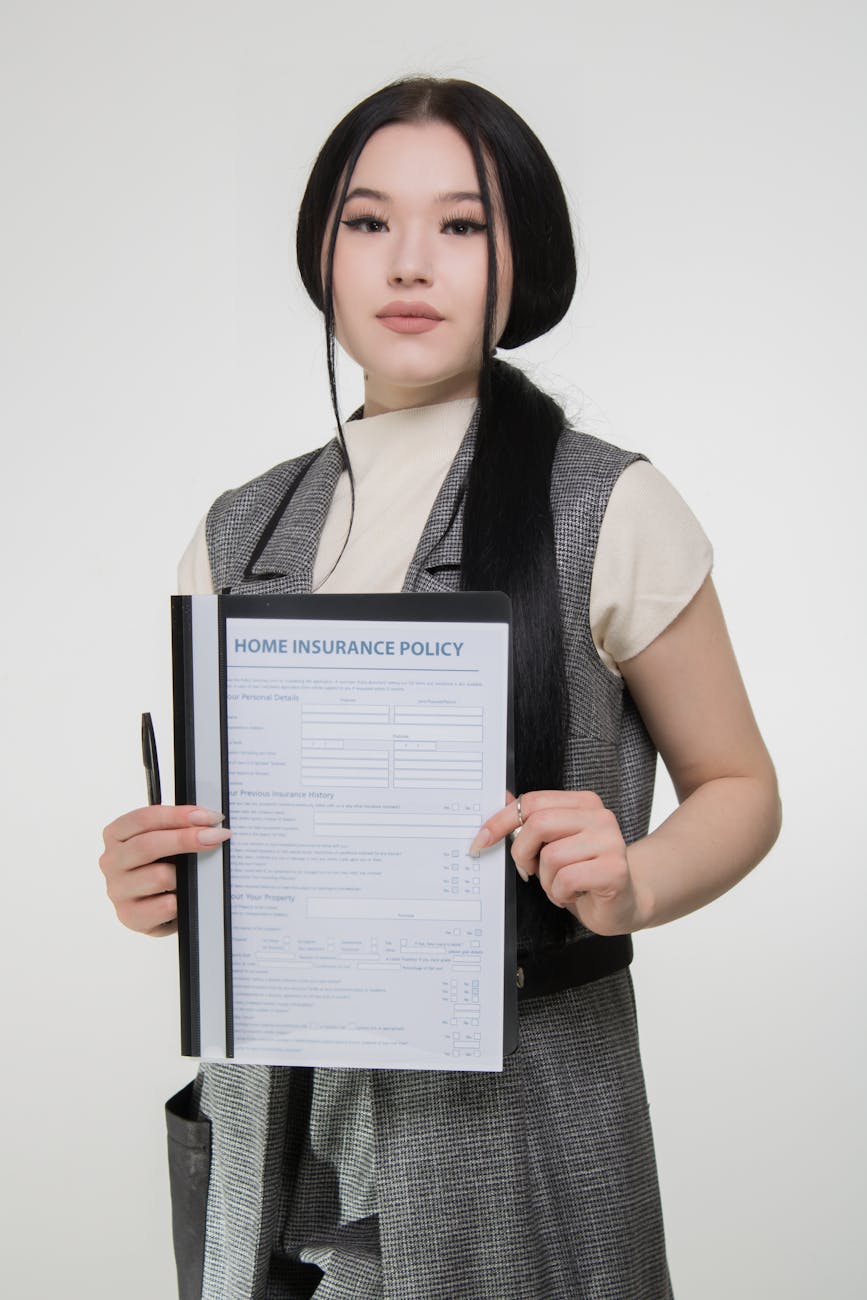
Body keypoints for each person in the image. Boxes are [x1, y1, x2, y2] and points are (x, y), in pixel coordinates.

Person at [99, 75, 782, 1300]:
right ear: (323, 250)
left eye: (462, 225)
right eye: (370, 222)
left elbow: (739, 786)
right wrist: (164, 882)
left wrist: (630, 877)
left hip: (522, 1123)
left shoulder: (603, 504)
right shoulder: (238, 528)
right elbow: (246, 838)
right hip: (281, 1125)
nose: (411, 260)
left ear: (524, 255)